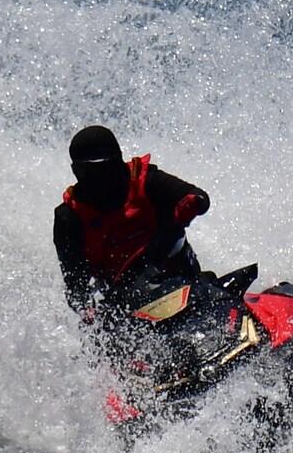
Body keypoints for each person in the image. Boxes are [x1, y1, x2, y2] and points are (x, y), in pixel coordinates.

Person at [53, 125, 210, 319]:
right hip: (125, 299)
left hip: (176, 274)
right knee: (102, 329)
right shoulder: (69, 218)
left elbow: (198, 197)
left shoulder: (147, 181)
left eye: (105, 170)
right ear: (76, 171)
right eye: (89, 173)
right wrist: (88, 311)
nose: (100, 181)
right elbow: (75, 285)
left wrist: (190, 204)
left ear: (118, 162)